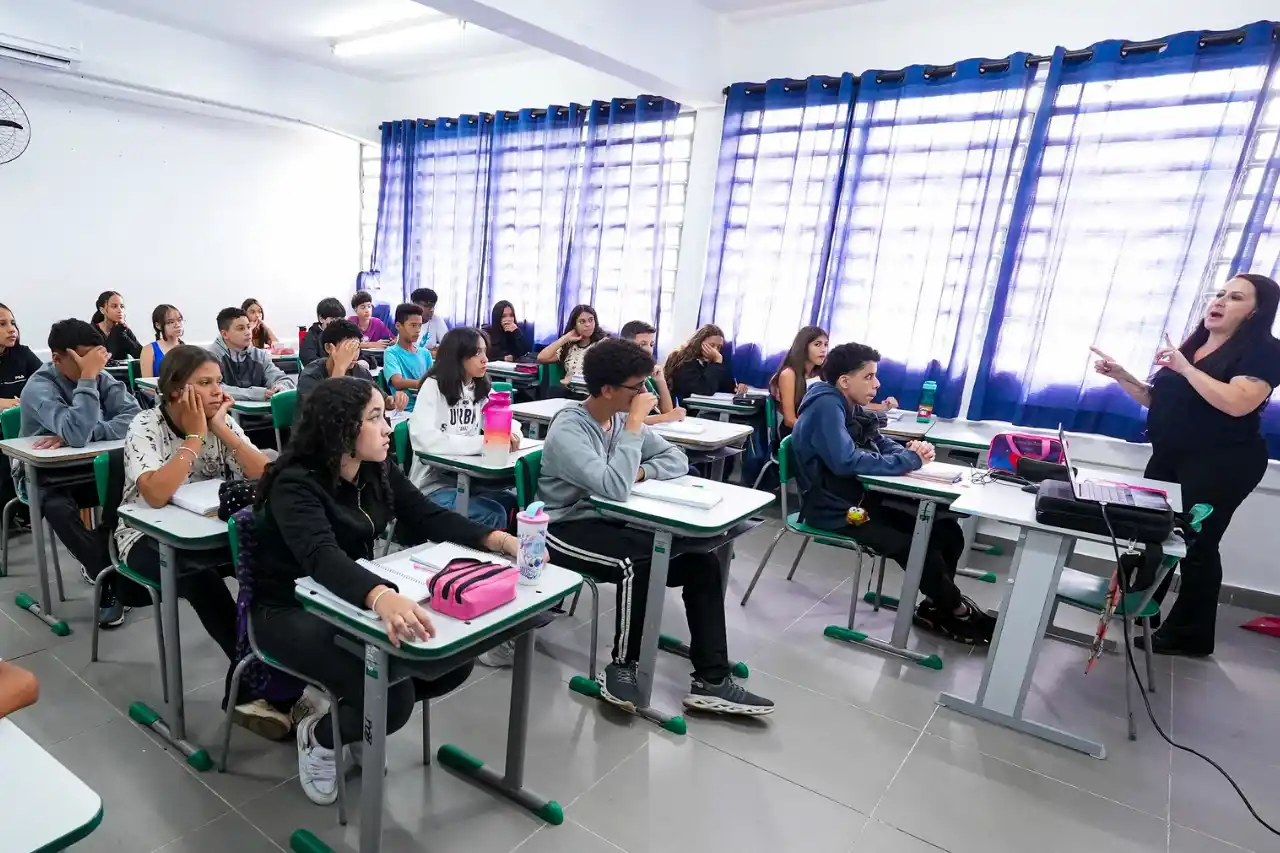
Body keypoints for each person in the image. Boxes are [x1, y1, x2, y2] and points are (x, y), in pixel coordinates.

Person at [250, 376, 517, 805]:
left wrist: (497, 540)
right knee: (393, 700)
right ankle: (321, 737)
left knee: (452, 662)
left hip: (351, 597)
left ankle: (357, 716)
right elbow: (321, 557)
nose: (389, 427)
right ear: (341, 428)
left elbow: (425, 514)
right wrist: (381, 595)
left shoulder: (376, 468)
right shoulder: (295, 483)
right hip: (288, 608)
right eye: (375, 417)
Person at [539, 338, 774, 716]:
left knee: (701, 562)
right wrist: (635, 426)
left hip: (610, 519)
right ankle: (622, 665)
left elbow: (676, 459)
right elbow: (614, 487)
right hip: (563, 526)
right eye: (637, 388)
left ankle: (711, 679)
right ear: (607, 390)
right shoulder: (571, 428)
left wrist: (641, 470)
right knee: (638, 564)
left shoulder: (618, 419)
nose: (645, 395)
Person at [1093, 273, 1280, 657]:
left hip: (1223, 461)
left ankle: (1190, 635)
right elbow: (1159, 399)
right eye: (1220, 293)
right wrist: (1122, 377)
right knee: (1153, 532)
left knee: (1196, 545)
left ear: (1256, 312)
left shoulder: (1264, 350)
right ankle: (1146, 608)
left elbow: (1237, 402)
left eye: (1235, 297)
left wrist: (1186, 369)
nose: (1220, 301)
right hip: (1170, 456)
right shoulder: (1195, 346)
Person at [792, 342, 994, 645]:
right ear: (845, 381)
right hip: (834, 510)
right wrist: (908, 461)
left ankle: (935, 607)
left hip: (859, 502)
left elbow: (875, 440)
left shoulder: (847, 405)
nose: (877, 384)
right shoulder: (826, 406)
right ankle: (956, 609)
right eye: (869, 376)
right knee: (911, 544)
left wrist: (909, 452)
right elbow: (845, 461)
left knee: (947, 532)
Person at [116, 345, 269, 674]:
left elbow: (266, 477)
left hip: (208, 532)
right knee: (201, 579)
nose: (217, 391)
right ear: (175, 390)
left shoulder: (220, 421)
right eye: (204, 383)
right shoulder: (146, 425)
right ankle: (251, 672)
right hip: (145, 537)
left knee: (269, 560)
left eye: (218, 382)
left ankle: (274, 655)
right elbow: (155, 495)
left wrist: (222, 429)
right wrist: (196, 437)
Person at [19, 320, 141, 628]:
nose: (94, 367)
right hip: (43, 474)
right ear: (58, 357)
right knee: (57, 507)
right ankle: (107, 574)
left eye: (96, 359)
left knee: (127, 481)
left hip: (88, 466)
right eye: (85, 360)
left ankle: (104, 557)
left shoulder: (101, 377)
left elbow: (135, 417)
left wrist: (92, 431)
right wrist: (87, 379)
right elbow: (75, 433)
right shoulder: (39, 387)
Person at [409, 327, 520, 529]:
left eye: (485, 351)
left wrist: (511, 433)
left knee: (513, 502)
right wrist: (483, 443)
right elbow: (423, 439)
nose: (485, 359)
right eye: (477, 353)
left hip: (467, 480)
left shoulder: (479, 386)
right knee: (494, 514)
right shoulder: (434, 386)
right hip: (431, 487)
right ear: (457, 355)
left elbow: (505, 419)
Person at [297, 319, 409, 414]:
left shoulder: (359, 371)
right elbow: (324, 415)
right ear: (329, 348)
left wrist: (393, 401)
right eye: (348, 348)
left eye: (357, 347)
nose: (354, 354)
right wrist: (340, 367)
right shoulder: (311, 375)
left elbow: (382, 398)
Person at [0, 305, 41, 533]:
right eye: (2, 324)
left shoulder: (22, 354)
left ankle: (25, 511)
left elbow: (46, 383)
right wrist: (4, 403)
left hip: (26, 430)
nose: (11, 329)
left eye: (13, 323)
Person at [208, 307, 294, 401]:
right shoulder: (211, 357)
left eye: (248, 327)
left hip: (260, 410)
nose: (248, 332)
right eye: (241, 329)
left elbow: (284, 380)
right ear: (225, 334)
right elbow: (214, 388)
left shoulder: (260, 356)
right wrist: (256, 394)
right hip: (225, 410)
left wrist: (280, 388)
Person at [620, 320, 685, 425]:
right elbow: (622, 420)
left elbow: (666, 411)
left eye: (651, 345)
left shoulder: (646, 374)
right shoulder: (621, 375)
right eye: (642, 344)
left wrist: (661, 380)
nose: (649, 350)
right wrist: (666, 417)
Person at [769, 326, 828, 440]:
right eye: (817, 344)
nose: (823, 349)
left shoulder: (821, 374)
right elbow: (789, 420)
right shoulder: (789, 374)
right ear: (803, 347)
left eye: (826, 345)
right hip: (796, 433)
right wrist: (818, 432)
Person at [665, 324, 749, 401]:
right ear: (699, 343)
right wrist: (716, 363)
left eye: (719, 347)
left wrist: (736, 388)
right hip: (685, 408)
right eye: (711, 345)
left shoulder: (711, 360)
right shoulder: (684, 361)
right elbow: (705, 389)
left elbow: (724, 386)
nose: (715, 350)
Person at [538, 304, 606, 396]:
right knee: (553, 391)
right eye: (582, 321)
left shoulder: (603, 345)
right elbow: (541, 358)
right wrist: (566, 338)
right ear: (574, 325)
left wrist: (574, 379)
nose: (588, 325)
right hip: (571, 392)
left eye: (591, 320)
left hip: (592, 394)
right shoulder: (569, 346)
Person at [383, 303, 431, 407]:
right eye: (413, 325)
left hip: (427, 406)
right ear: (398, 326)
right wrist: (426, 384)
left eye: (420, 325)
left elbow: (433, 378)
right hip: (405, 409)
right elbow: (397, 382)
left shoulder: (425, 353)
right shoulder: (391, 353)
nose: (418, 330)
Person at [92, 290, 142, 362]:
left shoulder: (124, 330)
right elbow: (106, 359)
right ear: (102, 310)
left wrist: (122, 334)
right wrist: (115, 332)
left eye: (122, 306)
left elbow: (142, 356)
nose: (120, 310)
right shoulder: (92, 331)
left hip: (122, 369)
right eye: (114, 306)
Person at [140, 304, 184, 379]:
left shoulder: (188, 349)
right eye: (171, 322)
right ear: (158, 325)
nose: (177, 325)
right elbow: (146, 383)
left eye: (179, 320)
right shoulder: (149, 350)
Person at [299, 298, 346, 366]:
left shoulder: (345, 334)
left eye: (341, 319)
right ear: (321, 319)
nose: (338, 323)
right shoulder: (310, 338)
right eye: (333, 319)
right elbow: (310, 363)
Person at [410, 288, 450, 355]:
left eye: (433, 306)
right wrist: (431, 351)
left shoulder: (436, 319)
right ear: (415, 305)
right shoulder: (406, 320)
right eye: (427, 306)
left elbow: (449, 346)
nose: (432, 310)